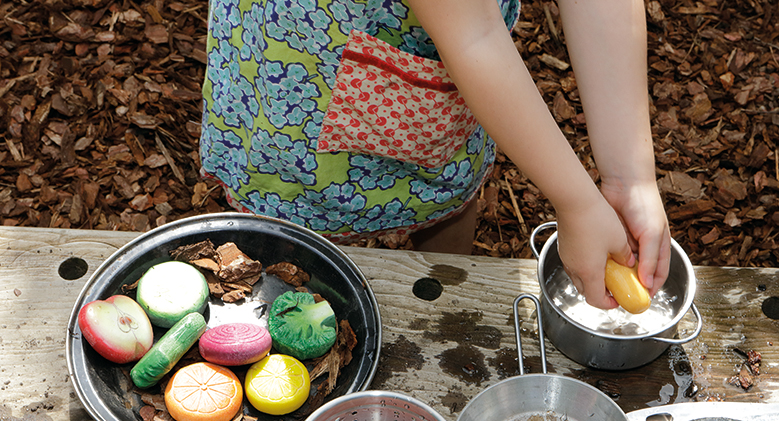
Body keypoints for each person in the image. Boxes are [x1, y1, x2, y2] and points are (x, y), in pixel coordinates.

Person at [200, 0, 670, 310]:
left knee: (445, 172)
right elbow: (473, 36)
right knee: (294, 203)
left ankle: (448, 297)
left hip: (441, 45)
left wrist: (629, 174)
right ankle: (282, 301)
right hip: (310, 49)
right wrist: (579, 203)